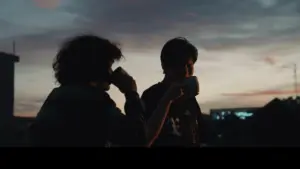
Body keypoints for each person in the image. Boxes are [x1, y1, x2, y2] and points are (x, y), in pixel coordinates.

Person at [28, 35, 182, 147]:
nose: (111, 73)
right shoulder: (92, 101)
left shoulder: (57, 97)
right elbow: (138, 139)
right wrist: (131, 93)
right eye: (108, 66)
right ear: (97, 68)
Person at [141, 37, 204, 147]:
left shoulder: (190, 99)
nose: (185, 72)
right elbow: (143, 138)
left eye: (189, 66)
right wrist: (167, 99)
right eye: (180, 65)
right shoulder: (151, 95)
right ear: (165, 67)